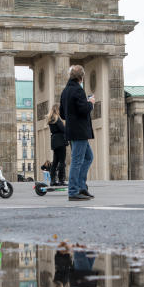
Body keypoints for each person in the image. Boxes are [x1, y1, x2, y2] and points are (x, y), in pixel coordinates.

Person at [59, 65, 95, 201]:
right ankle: (73, 191)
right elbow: (84, 110)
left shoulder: (65, 91)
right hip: (80, 131)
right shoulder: (78, 91)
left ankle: (81, 186)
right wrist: (90, 102)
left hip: (72, 131)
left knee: (88, 157)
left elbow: (62, 114)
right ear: (81, 77)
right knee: (77, 161)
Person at [46, 103, 68, 186]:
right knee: (62, 161)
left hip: (54, 141)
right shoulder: (57, 119)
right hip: (60, 141)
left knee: (55, 161)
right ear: (58, 110)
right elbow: (63, 129)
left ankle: (52, 180)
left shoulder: (51, 119)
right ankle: (61, 179)